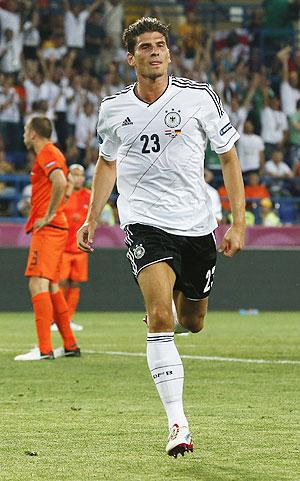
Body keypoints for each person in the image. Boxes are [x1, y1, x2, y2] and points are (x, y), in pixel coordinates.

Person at [77, 17, 245, 457]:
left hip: (195, 225)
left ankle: (167, 310)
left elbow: (229, 158)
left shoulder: (198, 98)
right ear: (130, 58)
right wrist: (93, 217)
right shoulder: (113, 109)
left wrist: (238, 222)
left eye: (161, 46)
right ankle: (178, 424)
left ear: (169, 53)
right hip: (144, 223)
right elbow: (106, 164)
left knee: (192, 321)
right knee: (161, 319)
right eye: (146, 47)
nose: (155, 52)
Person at [15, 116, 80, 361]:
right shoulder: (52, 154)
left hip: (49, 227)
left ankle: (44, 349)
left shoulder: (47, 153)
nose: (23, 135)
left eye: (25, 130)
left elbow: (61, 181)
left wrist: (51, 213)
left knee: (37, 284)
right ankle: (70, 344)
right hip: (55, 227)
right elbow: (64, 185)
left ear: (33, 133)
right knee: (52, 285)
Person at [55, 164, 90, 332]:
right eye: (74, 175)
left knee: (75, 284)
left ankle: (68, 319)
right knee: (60, 282)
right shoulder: (63, 194)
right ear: (68, 176)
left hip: (79, 250)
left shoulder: (88, 195)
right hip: (62, 247)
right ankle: (57, 320)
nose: (78, 178)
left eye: (80, 175)